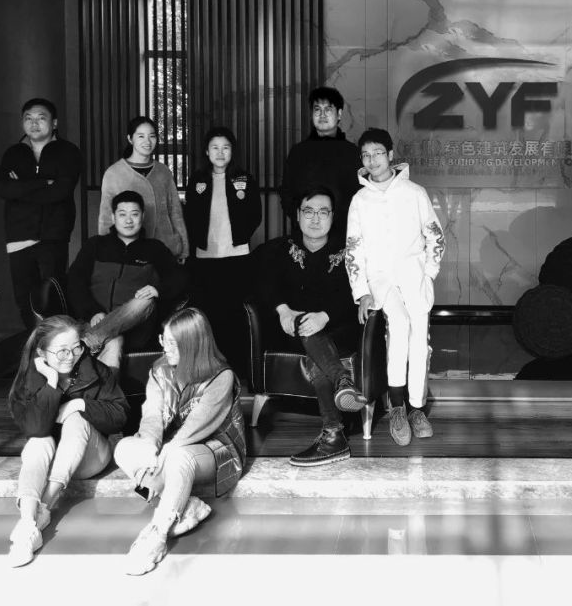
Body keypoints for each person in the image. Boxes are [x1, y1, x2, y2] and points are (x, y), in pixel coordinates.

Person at [114, 307, 246, 575]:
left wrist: (164, 454)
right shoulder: (159, 369)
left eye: (173, 343)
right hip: (168, 448)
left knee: (178, 456)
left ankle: (157, 534)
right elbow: (152, 415)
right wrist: (150, 448)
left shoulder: (221, 376)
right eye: (164, 339)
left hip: (214, 449)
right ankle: (188, 505)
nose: (165, 347)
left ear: (194, 343)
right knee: (124, 448)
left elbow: (197, 426)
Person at [345, 128, 444, 446]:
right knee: (398, 329)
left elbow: (436, 236)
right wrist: (361, 291)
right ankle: (397, 407)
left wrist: (429, 273)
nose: (372, 160)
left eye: (377, 153)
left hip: (414, 277)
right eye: (365, 155)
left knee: (419, 337)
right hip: (380, 281)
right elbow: (353, 249)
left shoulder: (414, 192)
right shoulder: (359, 200)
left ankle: (417, 409)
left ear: (390, 155)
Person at [7, 314, 128, 567]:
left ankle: (45, 505)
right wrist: (51, 384)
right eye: (61, 351)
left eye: (76, 348)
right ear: (42, 352)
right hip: (52, 460)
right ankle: (28, 524)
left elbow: (120, 415)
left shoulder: (97, 371)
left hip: (90, 458)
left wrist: (80, 404)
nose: (70, 357)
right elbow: (35, 429)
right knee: (37, 443)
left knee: (76, 419)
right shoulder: (29, 380)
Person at [261, 186, 366, 466]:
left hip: (340, 330)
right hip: (297, 330)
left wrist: (325, 316)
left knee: (314, 340)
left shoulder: (347, 252)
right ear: (297, 215)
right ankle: (342, 383)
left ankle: (334, 434)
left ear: (332, 216)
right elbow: (265, 285)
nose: (315, 219)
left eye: (323, 212)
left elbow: (356, 293)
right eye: (308, 212)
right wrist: (283, 311)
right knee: (306, 327)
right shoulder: (282, 249)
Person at [68, 191, 187, 369]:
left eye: (134, 214)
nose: (128, 220)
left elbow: (179, 277)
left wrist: (158, 290)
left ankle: (86, 344)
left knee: (146, 300)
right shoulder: (95, 245)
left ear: (143, 217)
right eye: (122, 214)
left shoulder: (155, 249)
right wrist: (92, 312)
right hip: (93, 321)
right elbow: (75, 281)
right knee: (114, 342)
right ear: (113, 217)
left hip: (134, 328)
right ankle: (103, 390)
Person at [0, 98, 82, 329]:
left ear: (54, 123)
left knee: (52, 293)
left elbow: (61, 191)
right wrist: (43, 182)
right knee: (24, 297)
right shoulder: (14, 153)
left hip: (53, 234)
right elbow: (3, 189)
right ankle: (34, 341)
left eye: (41, 118)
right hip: (18, 234)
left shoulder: (68, 151)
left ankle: (57, 342)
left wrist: (20, 188)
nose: (34, 123)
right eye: (28, 118)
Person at [185, 126, 261, 376]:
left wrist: (240, 236)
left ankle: (236, 369)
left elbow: (255, 214)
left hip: (237, 257)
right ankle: (210, 369)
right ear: (207, 152)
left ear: (232, 151)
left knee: (234, 314)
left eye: (225, 147)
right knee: (209, 314)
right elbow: (189, 215)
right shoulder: (197, 179)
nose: (220, 152)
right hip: (205, 259)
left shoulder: (244, 179)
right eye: (215, 147)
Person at [99, 116, 188, 262]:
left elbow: (175, 211)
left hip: (165, 247)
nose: (147, 141)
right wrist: (105, 251)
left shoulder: (163, 171)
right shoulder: (114, 173)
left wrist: (183, 248)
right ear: (130, 139)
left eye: (152, 136)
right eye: (141, 136)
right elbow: (106, 216)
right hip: (128, 250)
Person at [280, 86, 362, 231]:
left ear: (339, 114)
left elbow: (359, 194)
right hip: (305, 232)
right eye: (317, 109)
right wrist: (302, 219)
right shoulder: (298, 152)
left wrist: (338, 221)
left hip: (342, 231)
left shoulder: (353, 153)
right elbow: (286, 193)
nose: (322, 115)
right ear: (312, 114)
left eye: (328, 109)